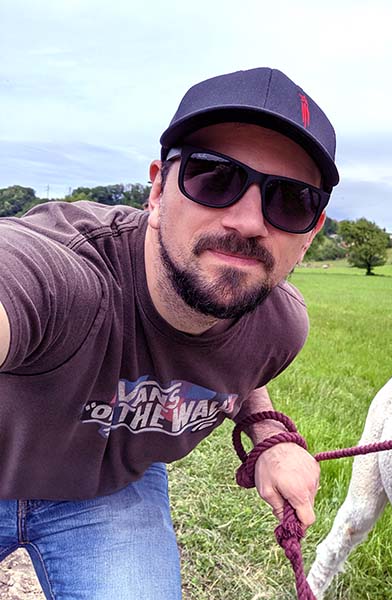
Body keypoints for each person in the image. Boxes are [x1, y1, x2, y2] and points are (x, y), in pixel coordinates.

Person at [0, 67, 338, 598]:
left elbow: (241, 364)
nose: (249, 222)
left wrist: (268, 434)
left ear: (312, 232)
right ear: (157, 190)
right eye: (214, 177)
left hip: (107, 491)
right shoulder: (69, 273)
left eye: (291, 200)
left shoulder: (279, 327)